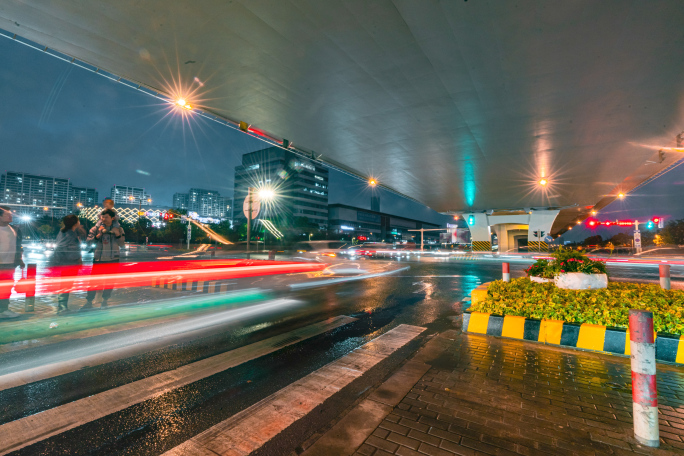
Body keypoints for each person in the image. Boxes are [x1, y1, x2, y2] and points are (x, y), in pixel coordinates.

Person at [81, 209, 125, 310]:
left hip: (113, 259)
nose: (103, 219)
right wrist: (98, 235)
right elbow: (88, 242)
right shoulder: (95, 228)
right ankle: (89, 301)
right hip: (98, 259)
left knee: (109, 282)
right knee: (94, 282)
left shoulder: (119, 229)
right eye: (102, 217)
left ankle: (105, 301)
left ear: (112, 218)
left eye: (106, 217)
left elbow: (122, 244)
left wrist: (117, 234)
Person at [50, 214, 84, 313]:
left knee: (66, 285)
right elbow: (62, 247)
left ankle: (62, 306)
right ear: (76, 223)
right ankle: (62, 307)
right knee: (66, 286)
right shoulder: (69, 234)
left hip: (66, 263)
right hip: (68, 264)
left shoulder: (65, 231)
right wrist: (76, 258)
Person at [0, 206, 24, 319]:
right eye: (7, 214)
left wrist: (19, 259)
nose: (11, 216)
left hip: (9, 264)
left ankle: (3, 310)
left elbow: (19, 246)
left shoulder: (15, 229)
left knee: (6, 288)